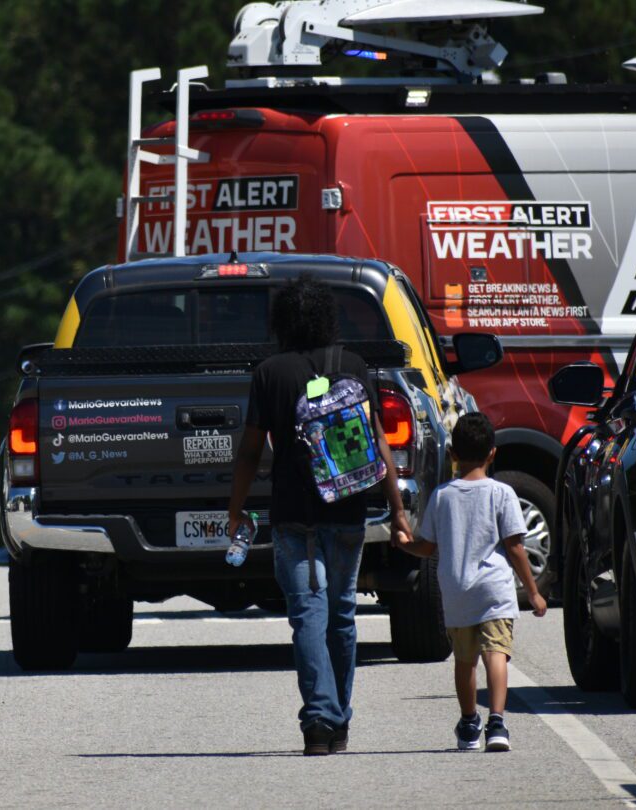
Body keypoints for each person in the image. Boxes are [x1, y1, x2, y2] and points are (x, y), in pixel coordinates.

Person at [227, 273, 412, 756]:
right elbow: (379, 444)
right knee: (342, 613)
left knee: (308, 614)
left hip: (293, 515)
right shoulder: (353, 365)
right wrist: (397, 510)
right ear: (327, 318)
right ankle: (339, 719)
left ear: (283, 320)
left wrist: (235, 508)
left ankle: (319, 722)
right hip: (349, 508)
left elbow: (249, 453)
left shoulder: (270, 373)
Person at [394, 412, 548, 752]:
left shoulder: (442, 496)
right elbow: (516, 547)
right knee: (497, 654)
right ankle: (496, 722)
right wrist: (533, 592)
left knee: (464, 661)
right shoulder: (502, 493)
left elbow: (428, 547)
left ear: (452, 454)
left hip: (457, 590)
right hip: (494, 589)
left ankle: (467, 724)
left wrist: (405, 544)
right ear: (493, 453)